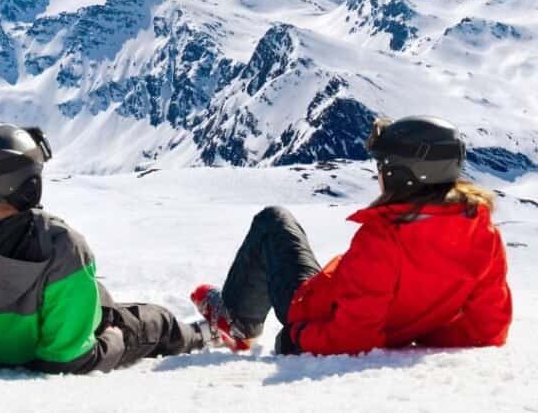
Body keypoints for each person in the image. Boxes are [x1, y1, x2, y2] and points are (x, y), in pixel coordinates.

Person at [0, 121, 212, 373]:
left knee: (96, 298)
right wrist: (113, 333)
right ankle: (207, 334)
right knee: (155, 321)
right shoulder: (62, 248)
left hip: (31, 328)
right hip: (81, 331)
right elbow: (68, 360)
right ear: (27, 183)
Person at [191, 115, 512, 356]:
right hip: (350, 303)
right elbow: (488, 329)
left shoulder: (384, 239)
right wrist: (418, 333)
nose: (379, 174)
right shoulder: (483, 234)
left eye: (383, 166)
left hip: (310, 309)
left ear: (402, 175)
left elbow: (352, 336)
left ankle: (236, 321)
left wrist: (299, 336)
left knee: (274, 221)